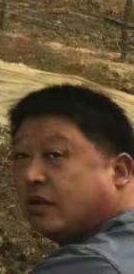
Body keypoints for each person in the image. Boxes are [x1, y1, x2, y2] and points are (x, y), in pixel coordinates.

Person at [9, 84, 134, 273]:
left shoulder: (93, 264)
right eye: (21, 156)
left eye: (54, 155)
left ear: (119, 171)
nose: (31, 175)